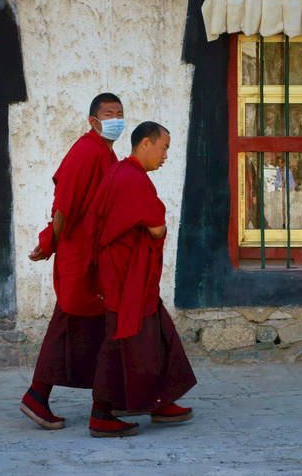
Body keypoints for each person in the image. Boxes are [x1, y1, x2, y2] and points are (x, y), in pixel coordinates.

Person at [19, 93, 126, 431]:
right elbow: (64, 207)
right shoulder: (87, 151)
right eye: (108, 114)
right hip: (78, 255)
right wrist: (49, 242)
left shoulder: (106, 152)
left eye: (120, 113)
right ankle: (38, 395)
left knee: (93, 327)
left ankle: (108, 401)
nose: (115, 119)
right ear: (93, 120)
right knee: (70, 322)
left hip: (94, 255)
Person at [84, 121, 197, 438]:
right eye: (164, 148)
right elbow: (156, 223)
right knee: (119, 340)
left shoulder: (119, 172)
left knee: (159, 334)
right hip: (125, 278)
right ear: (145, 143)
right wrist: (159, 230)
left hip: (127, 275)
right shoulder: (133, 179)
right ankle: (101, 414)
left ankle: (160, 402)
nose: (165, 156)